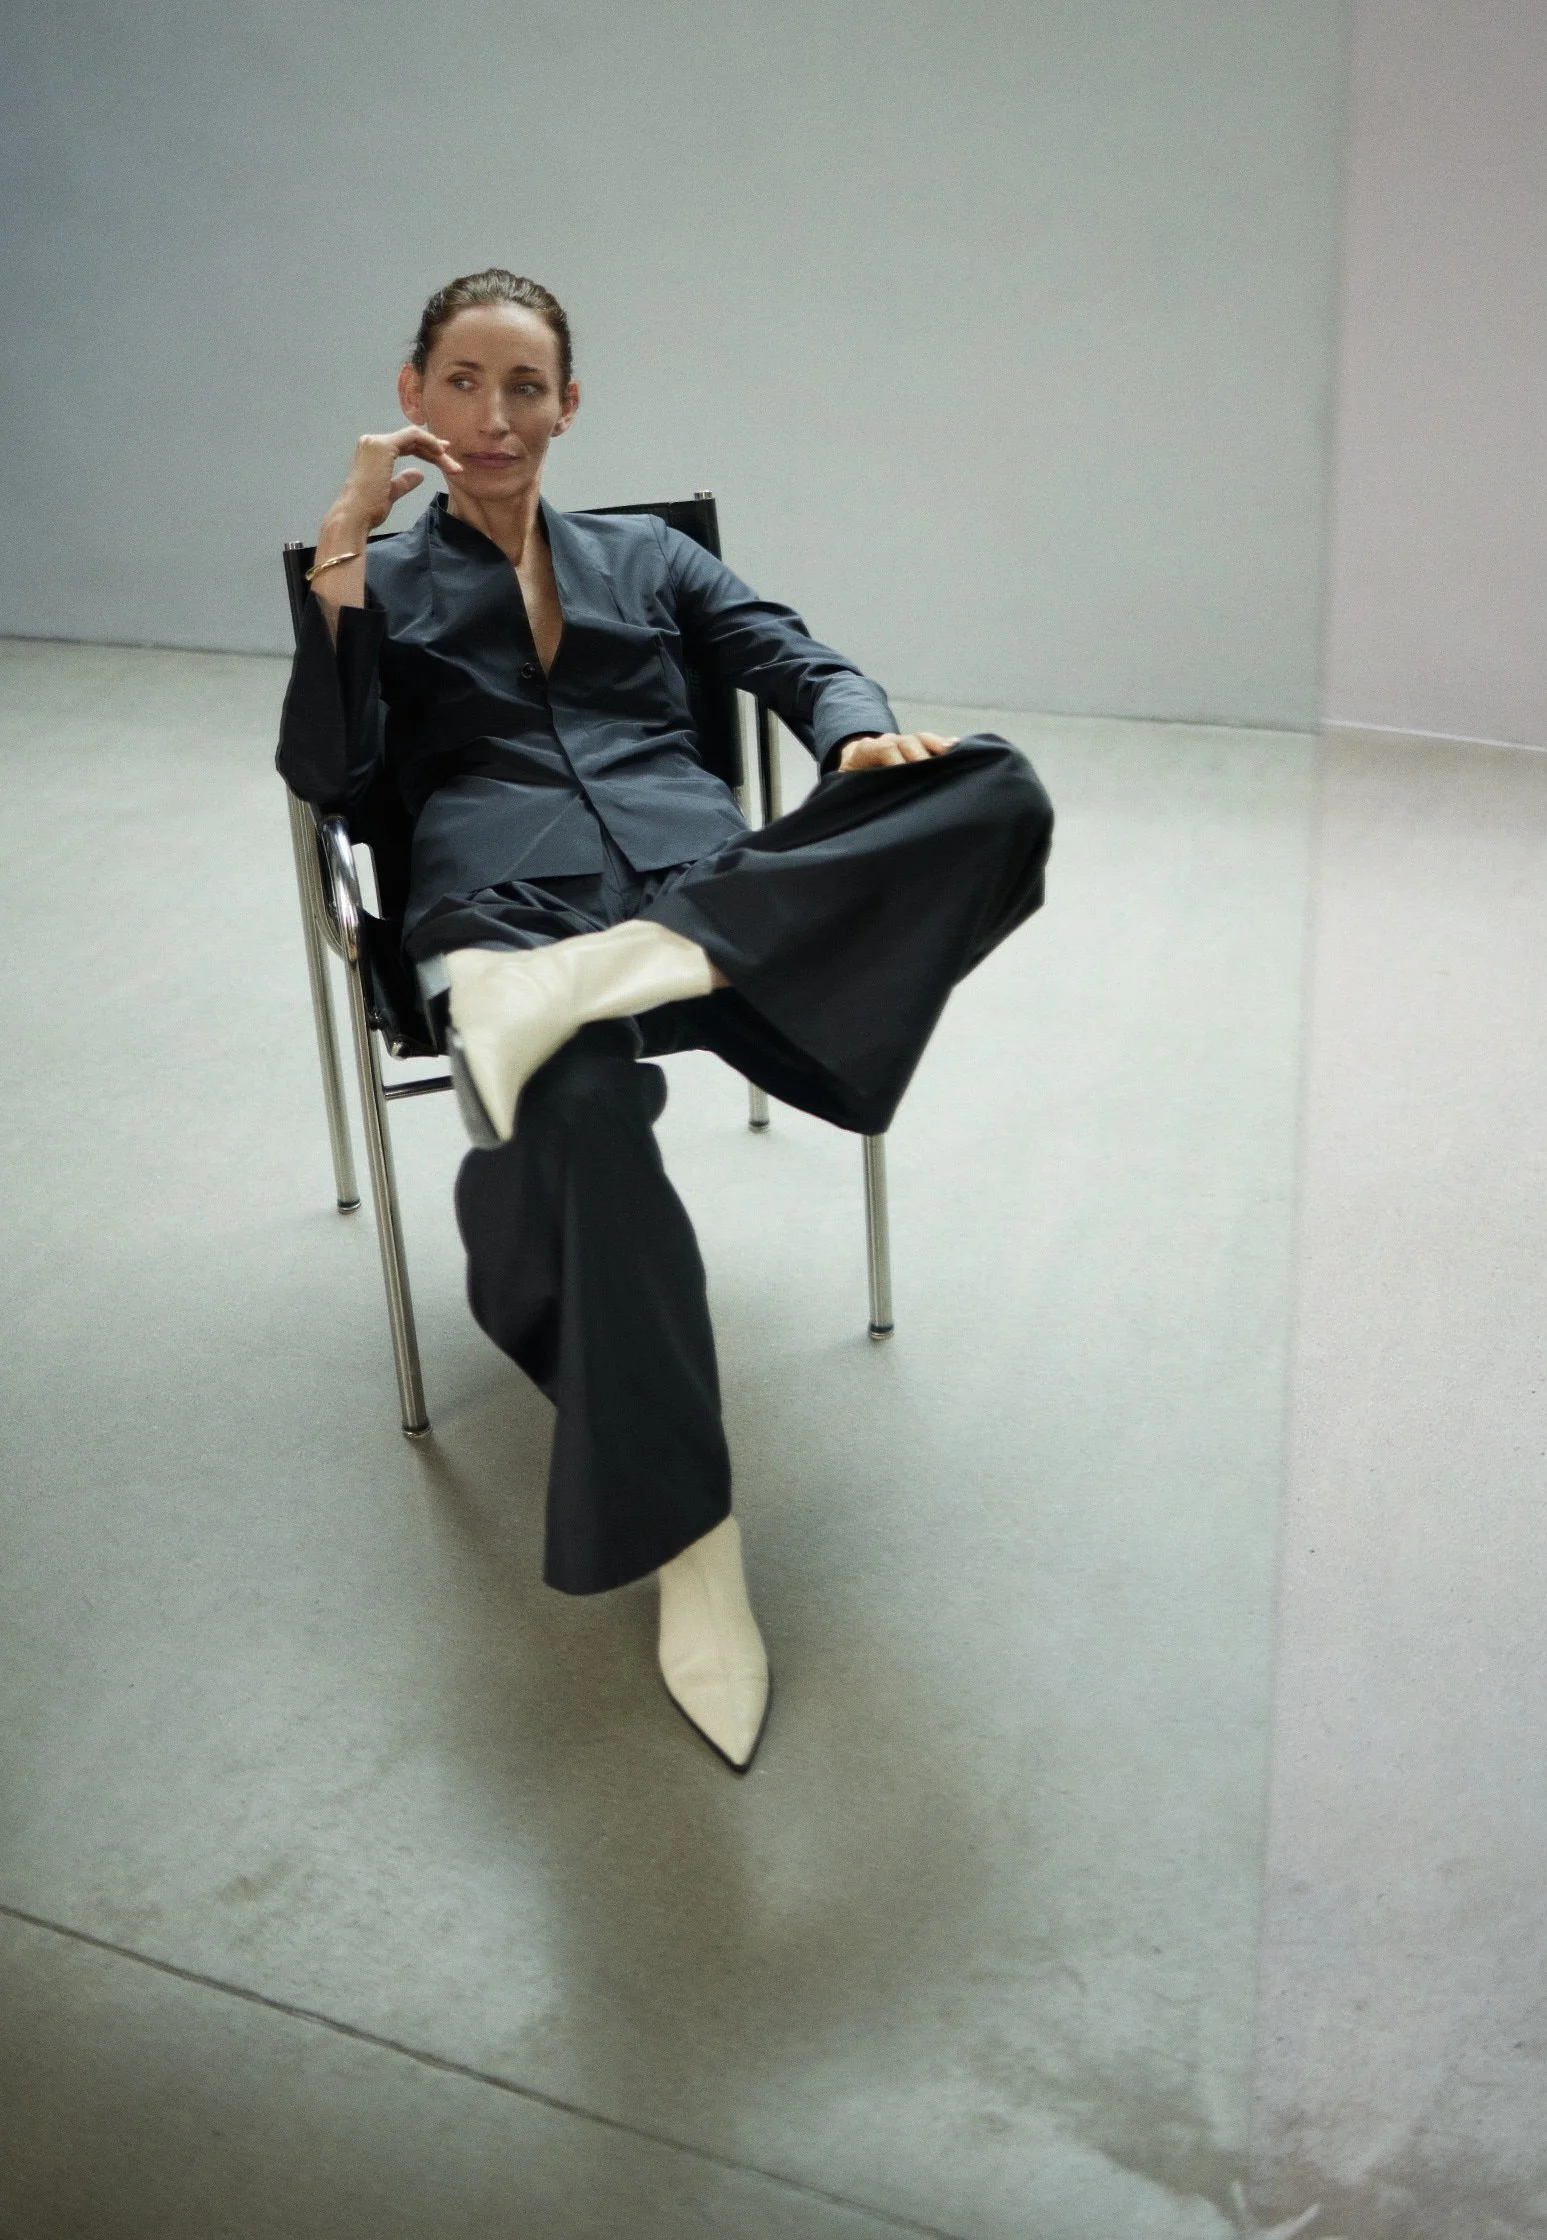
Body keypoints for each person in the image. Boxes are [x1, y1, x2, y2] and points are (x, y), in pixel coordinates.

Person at [277, 268, 1052, 1771]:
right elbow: (326, 773)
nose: (493, 417)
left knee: (995, 785)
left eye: (525, 386)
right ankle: (694, 1547)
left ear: (569, 405)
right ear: (412, 396)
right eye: (462, 382)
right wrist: (343, 552)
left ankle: (628, 971)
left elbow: (799, 659)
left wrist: (853, 734)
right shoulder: (379, 575)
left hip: (699, 884)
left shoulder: (647, 557)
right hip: (498, 910)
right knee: (574, 1114)